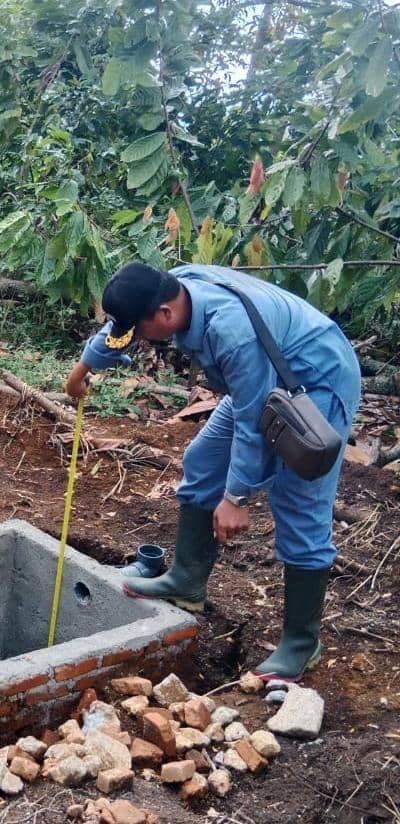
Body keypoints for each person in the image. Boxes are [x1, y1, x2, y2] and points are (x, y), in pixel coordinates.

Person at [65, 262, 361, 681]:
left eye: (142, 328)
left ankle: (301, 641)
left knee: (298, 501)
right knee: (204, 461)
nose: (140, 339)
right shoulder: (171, 284)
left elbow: (253, 416)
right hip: (266, 379)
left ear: (165, 315)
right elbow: (121, 328)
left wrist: (236, 498)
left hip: (315, 380)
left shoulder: (230, 331)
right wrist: (83, 368)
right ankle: (186, 580)